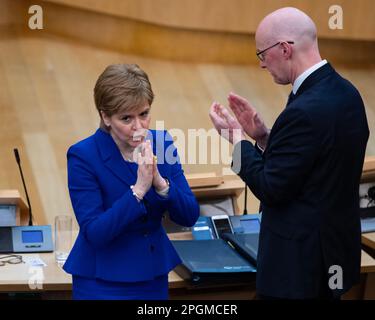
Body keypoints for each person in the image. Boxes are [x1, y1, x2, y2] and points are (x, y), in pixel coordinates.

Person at [209, 7, 369, 299]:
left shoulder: (304, 111)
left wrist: (236, 142)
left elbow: (272, 188)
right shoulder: (348, 94)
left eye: (262, 54)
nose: (261, 64)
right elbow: (315, 163)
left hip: (297, 269)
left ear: (284, 49)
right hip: (332, 258)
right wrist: (264, 138)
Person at [64, 64, 199, 300]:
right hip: (102, 281)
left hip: (152, 276)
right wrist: (137, 191)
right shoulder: (83, 155)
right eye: (126, 118)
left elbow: (189, 215)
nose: (139, 127)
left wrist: (160, 183)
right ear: (105, 116)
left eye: (144, 114)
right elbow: (95, 232)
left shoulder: (162, 143)